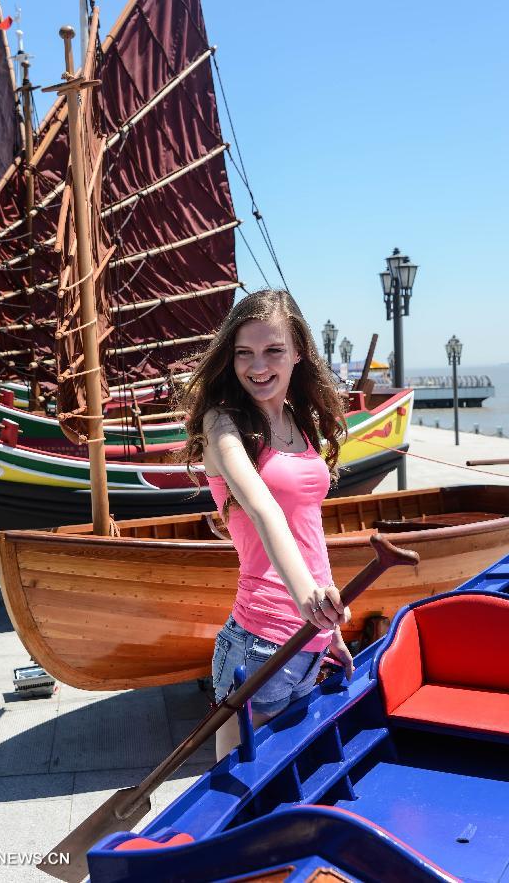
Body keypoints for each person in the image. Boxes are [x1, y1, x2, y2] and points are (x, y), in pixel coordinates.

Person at [179, 288, 355, 761]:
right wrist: (308, 599)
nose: (258, 366)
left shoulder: (299, 422)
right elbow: (262, 510)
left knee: (284, 785)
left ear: (298, 353)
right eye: (244, 354)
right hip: (258, 644)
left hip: (308, 639)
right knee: (240, 796)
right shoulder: (222, 424)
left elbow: (307, 530)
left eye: (273, 350)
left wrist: (327, 625)